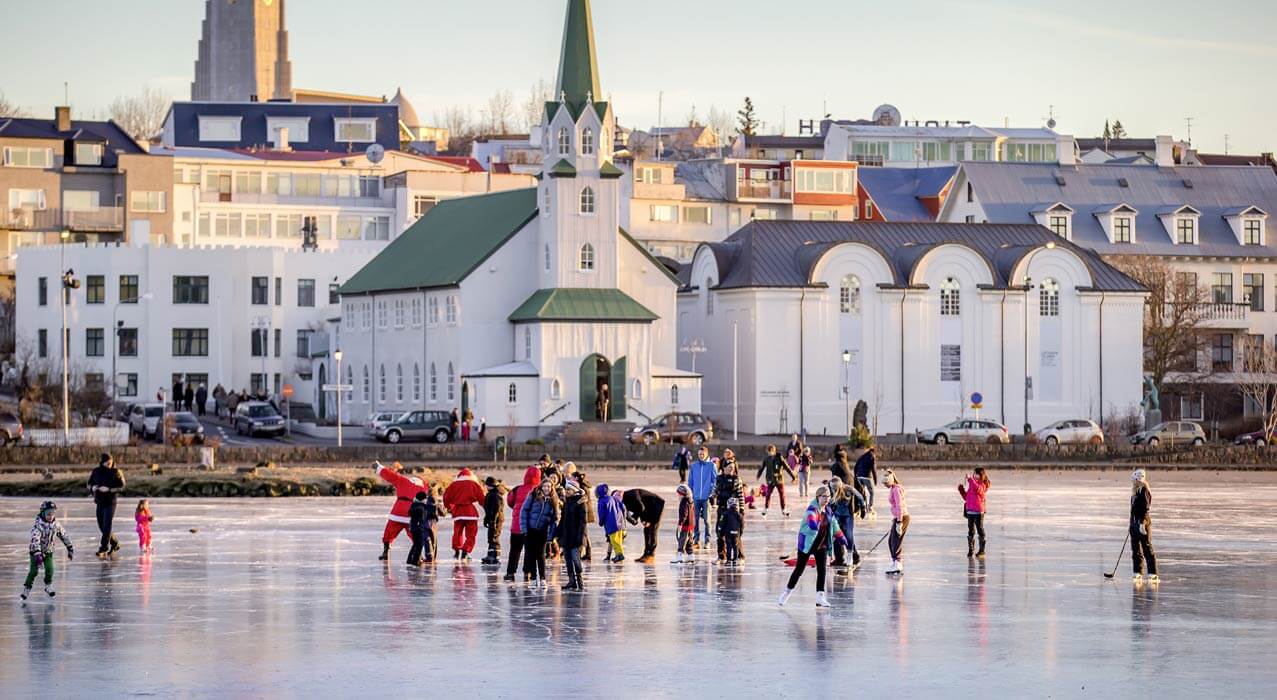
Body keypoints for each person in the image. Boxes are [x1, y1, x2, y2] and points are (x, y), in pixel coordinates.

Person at [777, 486, 846, 608]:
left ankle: (820, 597)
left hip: (822, 544)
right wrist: (813, 524)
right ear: (818, 497)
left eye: (828, 496)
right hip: (807, 544)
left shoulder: (829, 511)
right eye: (824, 496)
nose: (826, 499)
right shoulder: (812, 509)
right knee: (799, 569)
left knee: (822, 570)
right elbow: (810, 518)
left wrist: (841, 537)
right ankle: (786, 593)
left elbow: (834, 525)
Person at [22, 501, 73, 601]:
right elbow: (35, 539)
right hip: (35, 553)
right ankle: (27, 588)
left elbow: (64, 535)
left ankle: (48, 586)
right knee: (33, 572)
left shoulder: (56, 525)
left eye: (52, 514)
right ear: (43, 513)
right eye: (48, 514)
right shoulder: (38, 526)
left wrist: (69, 547)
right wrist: (37, 554)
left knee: (50, 570)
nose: (50, 516)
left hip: (48, 552)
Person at [374, 461, 425, 561]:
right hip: (411, 513)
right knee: (414, 535)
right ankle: (419, 555)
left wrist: (379, 467)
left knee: (389, 533)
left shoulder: (403, 481)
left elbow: (390, 476)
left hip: (398, 512)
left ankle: (385, 552)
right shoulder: (424, 487)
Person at [504, 466, 543, 581]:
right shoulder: (539, 491)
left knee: (514, 550)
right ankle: (528, 572)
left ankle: (510, 572)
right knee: (529, 550)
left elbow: (510, 501)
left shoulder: (517, 489)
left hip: (516, 526)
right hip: (532, 527)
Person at [520, 480, 559, 590]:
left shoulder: (553, 501)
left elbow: (555, 520)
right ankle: (533, 578)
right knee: (530, 555)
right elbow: (524, 511)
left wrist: (551, 536)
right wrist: (524, 529)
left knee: (541, 555)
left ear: (552, 488)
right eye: (545, 486)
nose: (547, 488)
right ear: (541, 486)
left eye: (549, 486)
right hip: (530, 530)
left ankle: (542, 578)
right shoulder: (533, 496)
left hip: (542, 531)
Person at [87, 453, 125, 557]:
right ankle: (115, 543)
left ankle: (103, 548)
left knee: (107, 524)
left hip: (110, 502)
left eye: (110, 462)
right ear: (103, 462)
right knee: (102, 526)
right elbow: (89, 484)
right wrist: (92, 488)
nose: (109, 463)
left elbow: (122, 487)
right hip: (99, 501)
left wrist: (109, 489)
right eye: (107, 462)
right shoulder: (96, 471)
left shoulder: (116, 472)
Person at [443, 468, 485, 560]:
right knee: (471, 534)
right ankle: (465, 551)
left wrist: (449, 507)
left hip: (458, 512)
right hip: (470, 512)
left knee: (457, 532)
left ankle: (457, 550)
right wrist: (486, 508)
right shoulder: (474, 484)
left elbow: (446, 497)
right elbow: (481, 498)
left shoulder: (453, 485)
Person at [558, 479, 588, 591]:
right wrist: (557, 533)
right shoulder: (567, 502)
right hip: (566, 536)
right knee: (568, 559)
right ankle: (572, 581)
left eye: (569, 489)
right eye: (566, 489)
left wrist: (581, 538)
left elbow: (583, 522)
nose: (566, 491)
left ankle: (580, 581)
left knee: (576, 559)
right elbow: (562, 520)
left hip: (576, 537)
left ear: (574, 490)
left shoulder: (581, 503)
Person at [622, 488, 666, 564]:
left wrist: (638, 519)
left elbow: (641, 507)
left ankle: (651, 555)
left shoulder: (631, 496)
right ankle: (646, 554)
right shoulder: (625, 499)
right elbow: (640, 507)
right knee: (646, 530)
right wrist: (642, 520)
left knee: (652, 530)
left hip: (657, 506)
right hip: (649, 508)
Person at [828, 477, 864, 569]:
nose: (834, 490)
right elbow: (827, 501)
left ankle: (850, 555)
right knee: (836, 536)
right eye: (833, 488)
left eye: (836, 488)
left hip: (847, 516)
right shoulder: (830, 489)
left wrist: (862, 507)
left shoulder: (848, 489)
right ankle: (838, 558)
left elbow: (859, 496)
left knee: (848, 535)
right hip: (836, 516)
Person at [715, 458, 746, 562]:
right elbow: (714, 491)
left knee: (735, 533)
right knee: (719, 532)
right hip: (722, 509)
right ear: (724, 468)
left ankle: (740, 556)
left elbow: (741, 495)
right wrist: (711, 498)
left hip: (733, 511)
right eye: (730, 468)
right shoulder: (719, 478)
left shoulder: (736, 479)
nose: (732, 470)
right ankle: (721, 555)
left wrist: (741, 509)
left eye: (733, 468)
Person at [1130, 469, 1158, 584]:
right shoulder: (1135, 492)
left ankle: (1153, 573)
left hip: (1143, 524)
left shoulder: (1144, 490)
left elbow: (1146, 509)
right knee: (1135, 549)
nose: (1132, 481)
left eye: (1134, 479)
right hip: (1134, 524)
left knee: (1147, 548)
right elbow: (1133, 510)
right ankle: (1138, 572)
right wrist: (1131, 524)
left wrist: (1142, 523)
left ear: (1138, 479)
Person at [686, 446, 716, 549]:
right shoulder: (694, 466)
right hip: (696, 497)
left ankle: (707, 541)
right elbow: (690, 481)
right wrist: (689, 494)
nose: (701, 456)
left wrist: (711, 492)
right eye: (699, 454)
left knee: (707, 520)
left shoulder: (712, 465)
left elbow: (715, 480)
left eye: (703, 454)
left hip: (706, 498)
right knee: (695, 520)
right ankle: (696, 540)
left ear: (706, 454)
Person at [958, 468, 991, 557]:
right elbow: (967, 498)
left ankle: (981, 550)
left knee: (980, 529)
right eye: (974, 474)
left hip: (979, 512)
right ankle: (971, 550)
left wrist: (970, 479)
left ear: (981, 476)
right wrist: (961, 491)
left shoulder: (982, 485)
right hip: (970, 511)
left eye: (976, 474)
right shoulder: (972, 485)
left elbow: (978, 489)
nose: (974, 475)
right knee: (971, 531)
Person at [757, 444, 796, 517]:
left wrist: (793, 477)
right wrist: (758, 475)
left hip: (779, 480)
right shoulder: (766, 459)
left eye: (770, 452)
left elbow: (787, 467)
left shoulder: (779, 458)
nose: (769, 453)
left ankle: (784, 510)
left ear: (774, 451)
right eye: (768, 452)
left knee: (782, 495)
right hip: (770, 480)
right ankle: (766, 509)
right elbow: (762, 467)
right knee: (768, 494)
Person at [884, 470, 909, 575]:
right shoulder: (893, 489)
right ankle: (894, 561)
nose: (884, 485)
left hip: (902, 517)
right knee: (891, 541)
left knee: (896, 542)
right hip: (898, 517)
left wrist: (899, 522)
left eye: (885, 483)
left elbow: (899, 506)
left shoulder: (896, 490)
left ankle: (898, 563)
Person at [596, 484, 627, 562]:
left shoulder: (601, 501)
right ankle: (618, 555)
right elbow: (623, 507)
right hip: (620, 522)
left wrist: (601, 522)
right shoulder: (614, 498)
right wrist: (623, 519)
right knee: (619, 541)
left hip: (611, 524)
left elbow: (601, 514)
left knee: (615, 541)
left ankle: (620, 555)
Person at [482, 477, 508, 565]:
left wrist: (493, 521)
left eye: (487, 485)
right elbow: (488, 509)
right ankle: (490, 554)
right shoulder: (491, 494)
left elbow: (496, 509)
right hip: (492, 519)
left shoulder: (496, 495)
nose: (486, 486)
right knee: (491, 537)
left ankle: (495, 555)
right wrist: (486, 519)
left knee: (494, 537)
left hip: (497, 519)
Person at [407, 491, 431, 566]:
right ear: (422, 499)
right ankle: (415, 561)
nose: (426, 499)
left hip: (414, 527)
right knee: (419, 545)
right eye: (425, 498)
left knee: (415, 544)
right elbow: (421, 518)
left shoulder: (414, 505)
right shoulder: (420, 506)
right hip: (419, 528)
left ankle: (410, 560)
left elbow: (410, 513)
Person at [673, 484, 694, 564]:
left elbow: (684, 514)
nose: (677, 496)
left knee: (682, 540)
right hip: (691, 525)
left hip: (685, 525)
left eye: (678, 494)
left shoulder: (684, 502)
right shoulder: (690, 501)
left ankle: (679, 556)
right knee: (689, 541)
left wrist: (680, 524)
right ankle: (690, 556)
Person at [853, 446, 878, 516]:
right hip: (867, 477)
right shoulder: (872, 457)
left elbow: (855, 466)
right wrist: (875, 480)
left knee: (860, 492)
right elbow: (873, 469)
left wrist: (856, 476)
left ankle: (859, 507)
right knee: (871, 492)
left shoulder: (862, 457)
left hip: (859, 477)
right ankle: (870, 507)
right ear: (874, 452)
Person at [721, 497, 744, 565]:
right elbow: (742, 525)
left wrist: (721, 533)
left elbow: (722, 524)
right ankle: (735, 560)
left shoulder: (725, 514)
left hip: (728, 533)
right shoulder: (739, 515)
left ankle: (728, 560)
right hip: (736, 533)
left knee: (729, 546)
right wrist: (740, 533)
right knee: (735, 546)